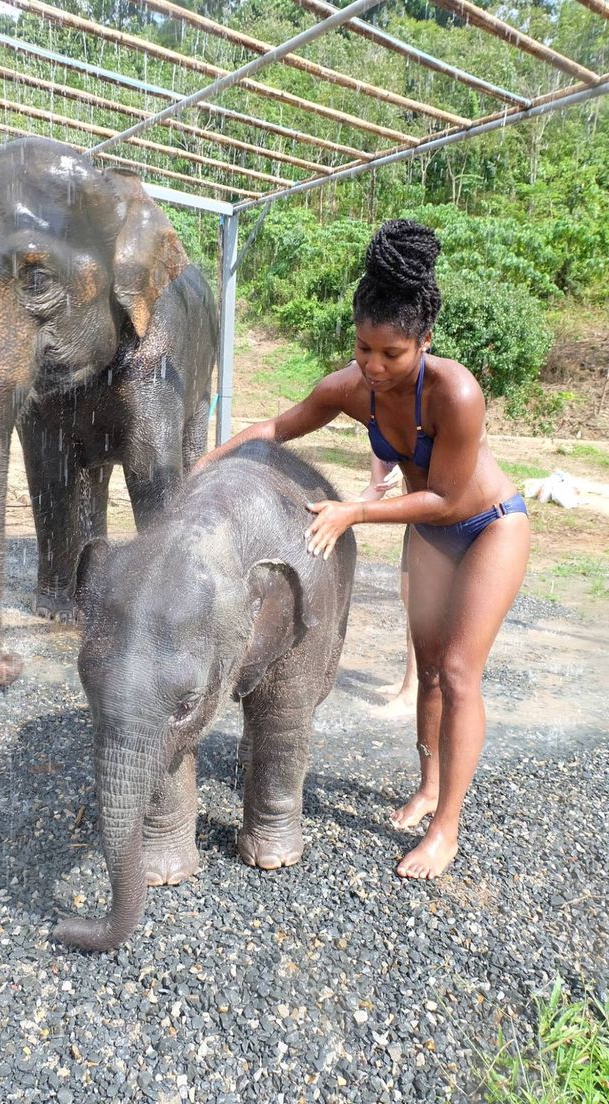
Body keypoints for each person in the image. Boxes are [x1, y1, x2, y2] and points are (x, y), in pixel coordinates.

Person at [195, 219, 530, 880]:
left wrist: (355, 510)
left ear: (424, 342)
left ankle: (447, 826)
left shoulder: (456, 392)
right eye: (363, 348)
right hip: (427, 528)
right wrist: (210, 457)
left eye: (392, 354)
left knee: (461, 672)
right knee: (429, 668)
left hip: (488, 524)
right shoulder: (351, 387)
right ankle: (429, 787)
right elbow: (277, 425)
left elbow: (451, 498)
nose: (374, 367)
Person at [359, 457, 417, 717]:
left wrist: (409, 467)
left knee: (422, 604)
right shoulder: (378, 429)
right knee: (410, 597)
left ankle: (412, 691)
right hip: (417, 520)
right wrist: (337, 511)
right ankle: (413, 681)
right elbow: (375, 488)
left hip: (443, 517)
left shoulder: (428, 419)